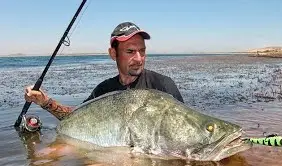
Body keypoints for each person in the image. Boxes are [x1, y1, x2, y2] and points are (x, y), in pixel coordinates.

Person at [24, 22, 184, 121]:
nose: (139, 58)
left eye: (142, 51)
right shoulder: (103, 90)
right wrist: (45, 102)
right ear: (113, 54)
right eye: (130, 51)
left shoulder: (163, 85)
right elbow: (74, 118)